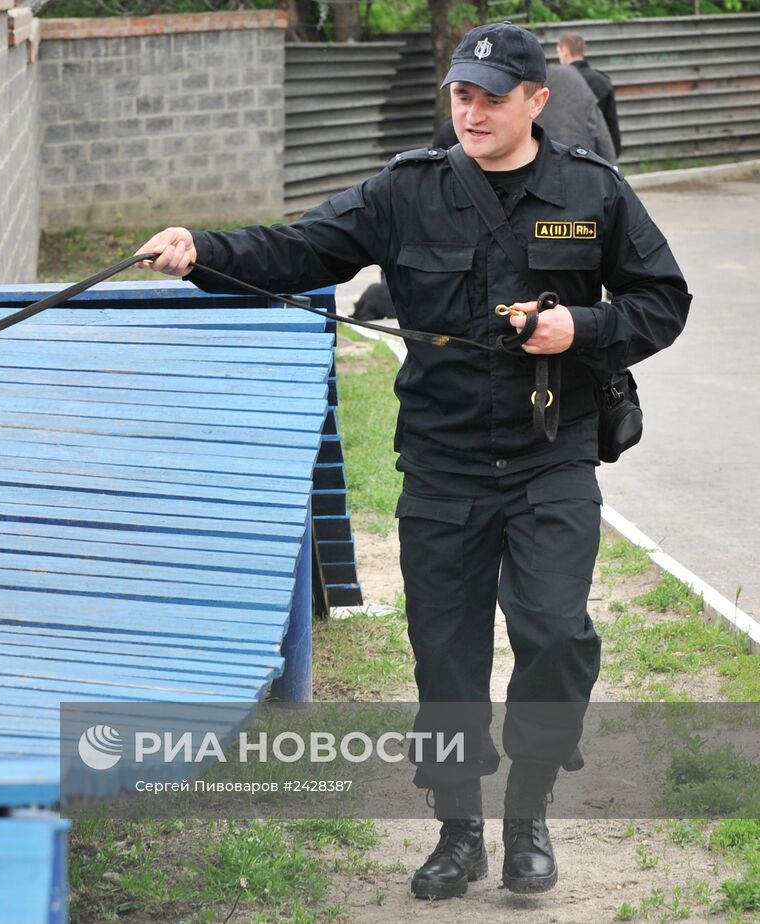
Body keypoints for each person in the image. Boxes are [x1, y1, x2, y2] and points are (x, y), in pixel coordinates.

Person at [137, 22, 689, 900]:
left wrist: (577, 327)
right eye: (461, 95)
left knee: (554, 633)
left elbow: (664, 300)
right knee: (445, 657)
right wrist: (205, 248)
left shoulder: (592, 193)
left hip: (553, 456)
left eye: (493, 98)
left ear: (537, 102)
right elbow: (302, 246)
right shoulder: (408, 191)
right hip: (443, 461)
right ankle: (459, 829)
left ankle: (530, 814)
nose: (472, 111)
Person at [557, 32, 622, 157]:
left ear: (565, 51)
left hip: (565, 156)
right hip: (596, 156)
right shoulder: (602, 81)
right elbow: (611, 126)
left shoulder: (558, 83)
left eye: (558, 52)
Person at [538, 62, 615, 162]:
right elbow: (603, 140)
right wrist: (612, 169)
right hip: (581, 163)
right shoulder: (575, 80)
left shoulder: (531, 89)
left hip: (542, 165)